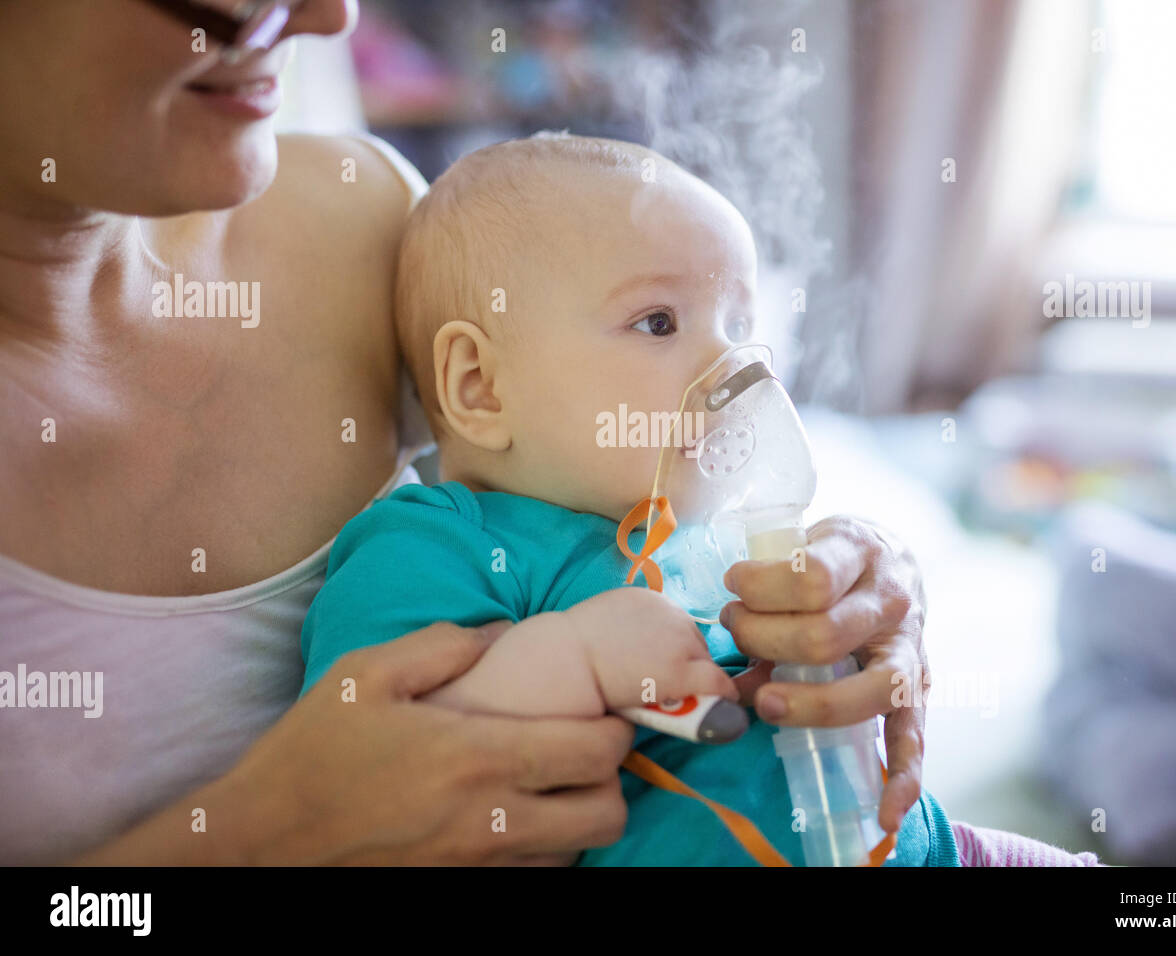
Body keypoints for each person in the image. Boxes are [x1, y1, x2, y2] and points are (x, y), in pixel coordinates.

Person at [0, 0, 932, 866]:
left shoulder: (360, 213)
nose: (333, 15)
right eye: (658, 323)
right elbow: (427, 704)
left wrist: (863, 590)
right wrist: (259, 838)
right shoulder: (441, 550)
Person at [299, 133, 1102, 866]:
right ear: (479, 386)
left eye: (740, 323)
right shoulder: (437, 548)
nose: (735, 364)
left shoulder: (720, 536)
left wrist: (841, 619)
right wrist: (573, 661)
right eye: (658, 322)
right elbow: (375, 770)